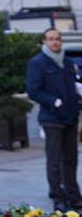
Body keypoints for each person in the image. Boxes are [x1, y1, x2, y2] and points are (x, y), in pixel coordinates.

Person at [27, 27, 82, 212]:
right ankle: (58, 198)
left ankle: (74, 197)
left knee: (71, 160)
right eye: (51, 39)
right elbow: (33, 91)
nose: (55, 42)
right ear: (45, 42)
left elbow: (72, 85)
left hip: (70, 117)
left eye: (58, 39)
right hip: (52, 118)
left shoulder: (67, 63)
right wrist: (54, 102)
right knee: (54, 160)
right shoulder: (37, 63)